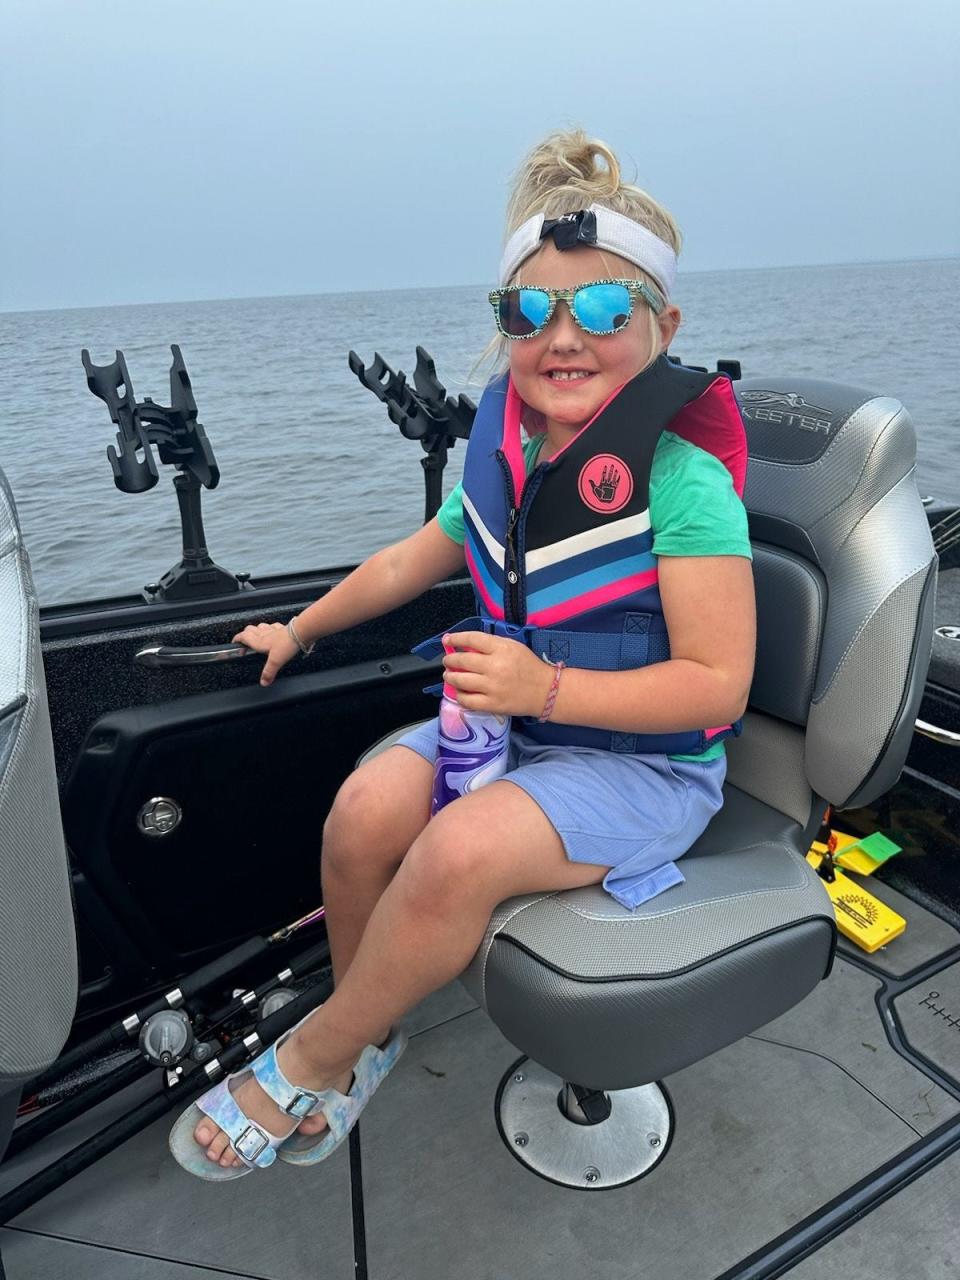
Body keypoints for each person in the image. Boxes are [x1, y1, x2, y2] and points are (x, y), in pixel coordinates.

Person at [169, 128, 756, 1179]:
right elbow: (410, 559)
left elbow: (719, 683)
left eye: (605, 310)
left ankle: (314, 1050)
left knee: (453, 851)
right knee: (360, 815)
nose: (563, 335)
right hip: (517, 733)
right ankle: (365, 1032)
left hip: (648, 767)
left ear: (663, 328)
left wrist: (549, 683)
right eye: (530, 311)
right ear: (504, 327)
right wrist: (298, 627)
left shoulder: (684, 482)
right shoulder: (510, 452)